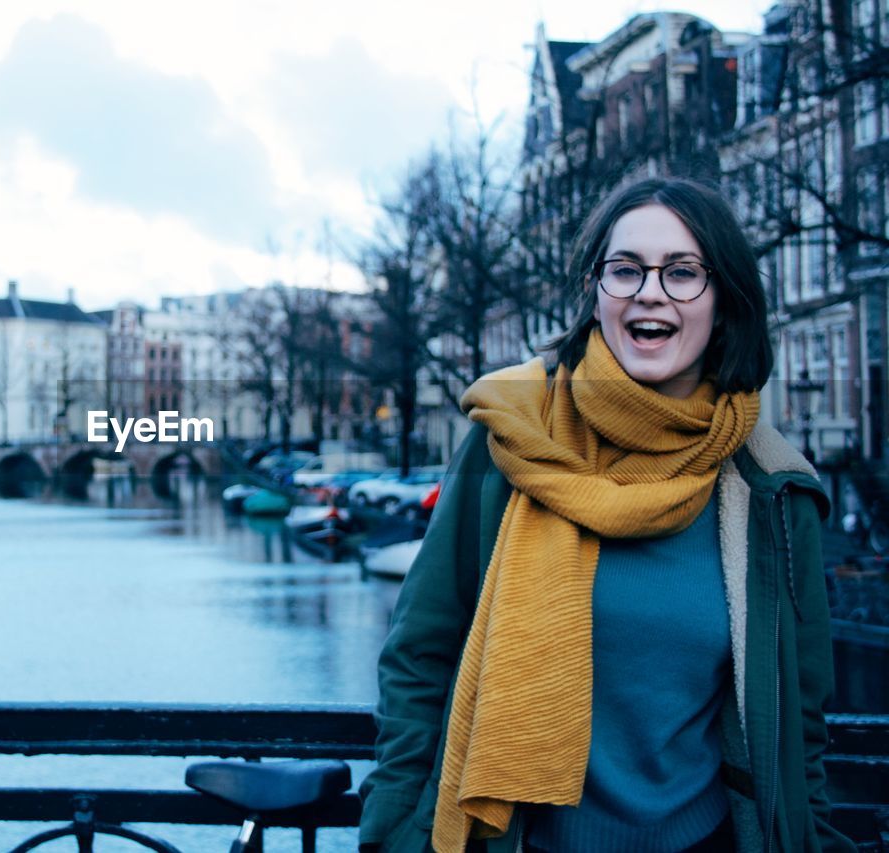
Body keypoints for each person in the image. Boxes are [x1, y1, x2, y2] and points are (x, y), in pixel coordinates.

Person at [358, 177, 855, 853]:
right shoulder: (509, 438)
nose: (650, 291)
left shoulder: (771, 485)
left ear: (724, 299)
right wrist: (392, 826)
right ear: (597, 292)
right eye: (625, 269)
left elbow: (800, 715)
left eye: (682, 272)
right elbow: (420, 654)